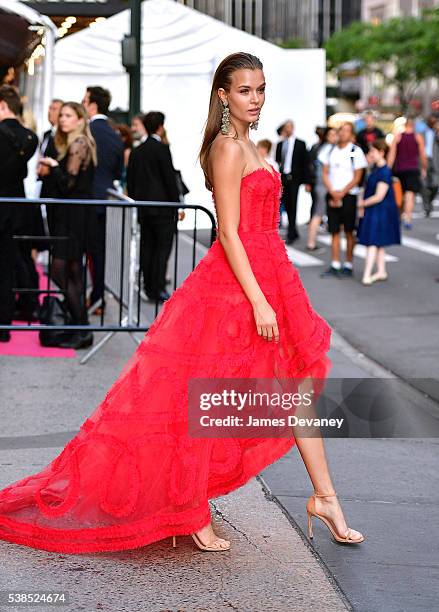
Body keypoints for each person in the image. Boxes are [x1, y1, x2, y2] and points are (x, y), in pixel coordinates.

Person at [0, 52, 364, 554]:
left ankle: (326, 499)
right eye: (245, 91)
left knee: (295, 388)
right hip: (237, 286)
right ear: (224, 95)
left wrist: (273, 291)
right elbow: (230, 234)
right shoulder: (227, 148)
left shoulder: (251, 144)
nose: (255, 99)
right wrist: (259, 301)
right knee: (200, 398)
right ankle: (192, 511)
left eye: (260, 90)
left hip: (271, 275)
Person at [39, 102, 97, 349]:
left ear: (80, 119)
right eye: (61, 115)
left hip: (73, 216)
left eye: (68, 115)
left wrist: (53, 167)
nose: (63, 119)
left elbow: (68, 184)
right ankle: (79, 325)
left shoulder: (79, 144)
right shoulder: (72, 143)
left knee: (61, 268)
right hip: (70, 215)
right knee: (70, 270)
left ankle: (81, 326)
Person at [126, 111, 180, 302]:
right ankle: (157, 287)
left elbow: (131, 181)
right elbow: (169, 179)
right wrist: (178, 205)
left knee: (147, 248)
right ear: (160, 126)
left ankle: (149, 286)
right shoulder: (162, 149)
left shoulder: (137, 151)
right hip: (163, 209)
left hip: (144, 207)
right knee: (162, 249)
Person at [0, 85, 38, 342]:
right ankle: (5, 321)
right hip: (14, 209)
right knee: (7, 266)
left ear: (3, 106)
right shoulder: (30, 138)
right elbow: (19, 171)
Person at [82, 86, 124, 315]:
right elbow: (118, 172)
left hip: (84, 198)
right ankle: (98, 297)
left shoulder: (86, 131)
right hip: (105, 199)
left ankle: (83, 299)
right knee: (98, 253)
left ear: (92, 105)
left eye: (84, 100)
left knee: (80, 251)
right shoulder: (114, 134)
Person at [319, 122, 368, 278]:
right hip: (333, 194)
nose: (343, 133)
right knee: (334, 231)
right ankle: (335, 264)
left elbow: (358, 176)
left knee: (348, 231)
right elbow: (325, 172)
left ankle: (348, 264)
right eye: (341, 130)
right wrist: (332, 191)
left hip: (349, 195)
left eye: (347, 131)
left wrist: (342, 192)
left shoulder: (355, 151)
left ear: (351, 134)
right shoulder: (330, 150)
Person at [357, 140, 401, 285]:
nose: (370, 154)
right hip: (377, 210)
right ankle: (381, 271)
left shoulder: (384, 171)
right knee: (378, 242)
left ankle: (367, 274)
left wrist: (361, 204)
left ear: (381, 152)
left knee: (372, 242)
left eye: (373, 151)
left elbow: (379, 196)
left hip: (380, 211)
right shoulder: (376, 169)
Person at [275, 120, 312, 244]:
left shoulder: (300, 144)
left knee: (293, 204)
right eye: (286, 127)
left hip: (295, 178)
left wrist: (307, 181)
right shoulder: (280, 144)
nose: (288, 129)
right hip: (284, 177)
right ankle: (293, 230)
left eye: (290, 127)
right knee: (285, 204)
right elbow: (278, 160)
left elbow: (305, 164)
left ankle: (292, 232)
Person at [387, 116, 427, 229]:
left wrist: (388, 169)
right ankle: (408, 218)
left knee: (400, 195)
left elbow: (392, 155)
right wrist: (424, 168)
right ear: (413, 125)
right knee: (410, 195)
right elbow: (423, 155)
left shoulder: (398, 137)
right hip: (413, 169)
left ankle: (399, 217)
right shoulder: (417, 137)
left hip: (399, 169)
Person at [306, 126, 338, 252]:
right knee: (318, 213)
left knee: (317, 212)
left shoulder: (319, 148)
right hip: (324, 185)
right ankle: (311, 242)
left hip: (320, 184)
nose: (335, 137)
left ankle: (311, 241)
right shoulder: (328, 150)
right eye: (333, 135)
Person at [421, 114, 439, 217]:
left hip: (435, 161)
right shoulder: (422, 133)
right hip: (423, 160)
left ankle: (430, 200)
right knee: (424, 185)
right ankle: (426, 207)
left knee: (435, 184)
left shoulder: (436, 133)